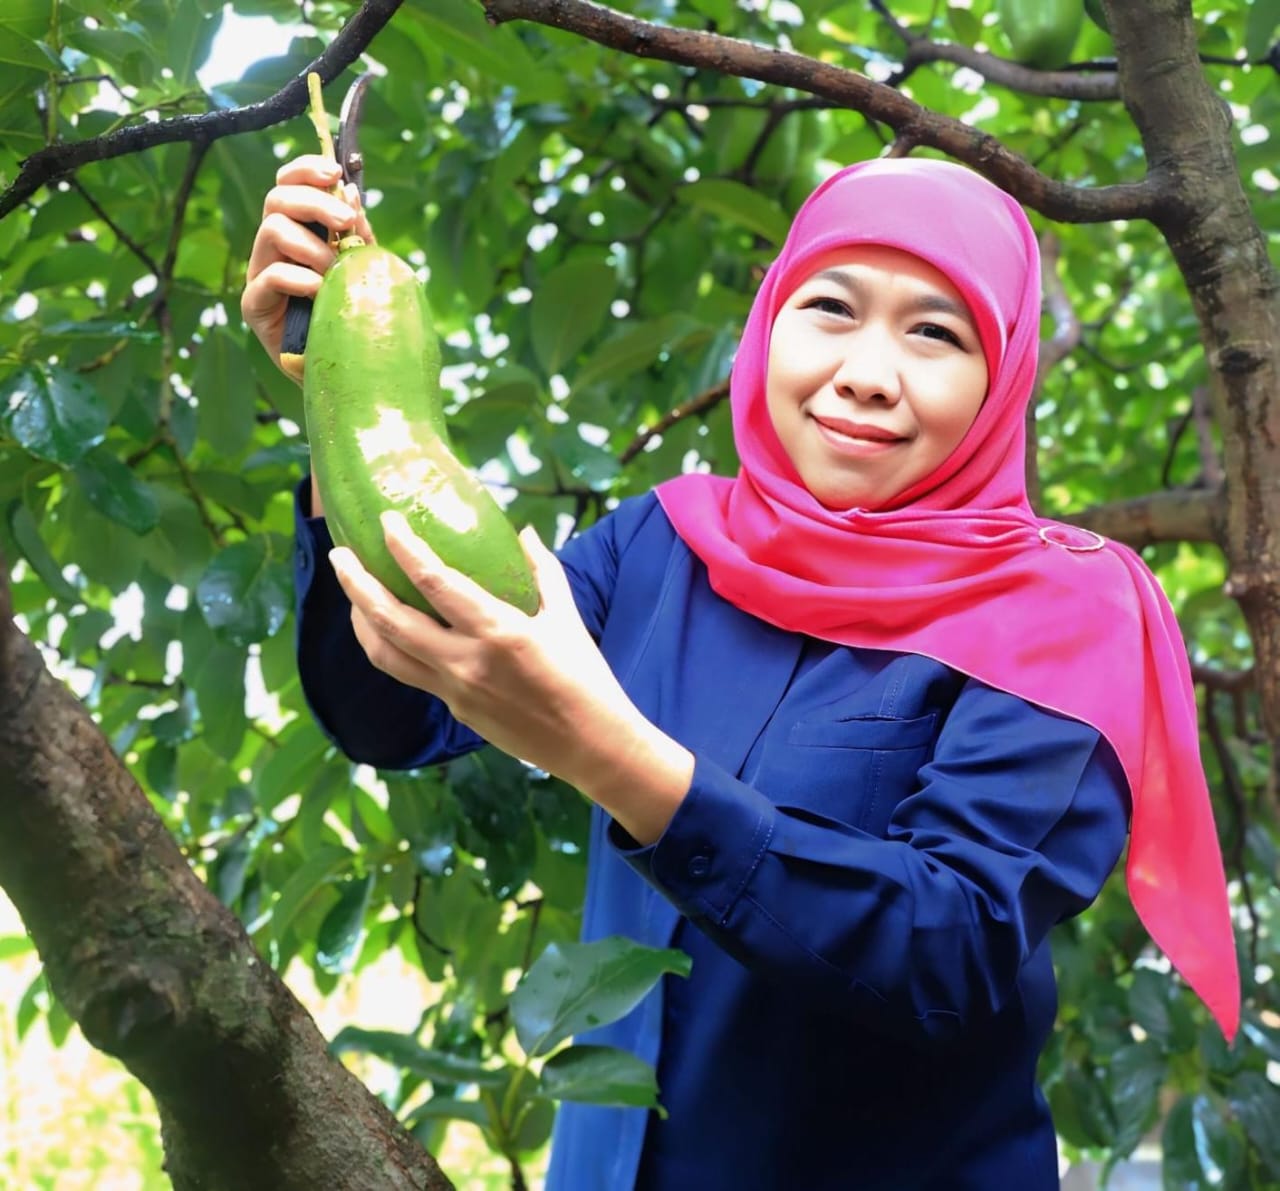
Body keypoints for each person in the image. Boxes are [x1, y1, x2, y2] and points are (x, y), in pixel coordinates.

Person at [241, 153, 1239, 1190]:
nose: (864, 370)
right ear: (769, 324)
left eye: (935, 332)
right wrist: (345, 394)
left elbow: (948, 949)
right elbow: (392, 717)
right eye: (831, 308)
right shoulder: (662, 544)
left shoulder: (1063, 608)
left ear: (1003, 376)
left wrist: (617, 761)